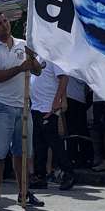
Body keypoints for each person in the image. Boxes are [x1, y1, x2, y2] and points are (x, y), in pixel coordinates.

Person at [0, 12, 45, 209]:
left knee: (23, 152)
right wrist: (19, 68)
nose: (4, 25)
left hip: (23, 104)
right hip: (1, 105)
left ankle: (24, 191)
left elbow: (37, 70)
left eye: (5, 21)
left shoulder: (23, 44)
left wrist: (32, 60)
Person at [30, 59, 75, 191]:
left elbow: (64, 78)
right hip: (36, 107)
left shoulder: (53, 58)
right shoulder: (37, 57)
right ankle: (40, 176)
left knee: (54, 142)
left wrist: (57, 101)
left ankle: (68, 173)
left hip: (48, 107)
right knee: (39, 144)